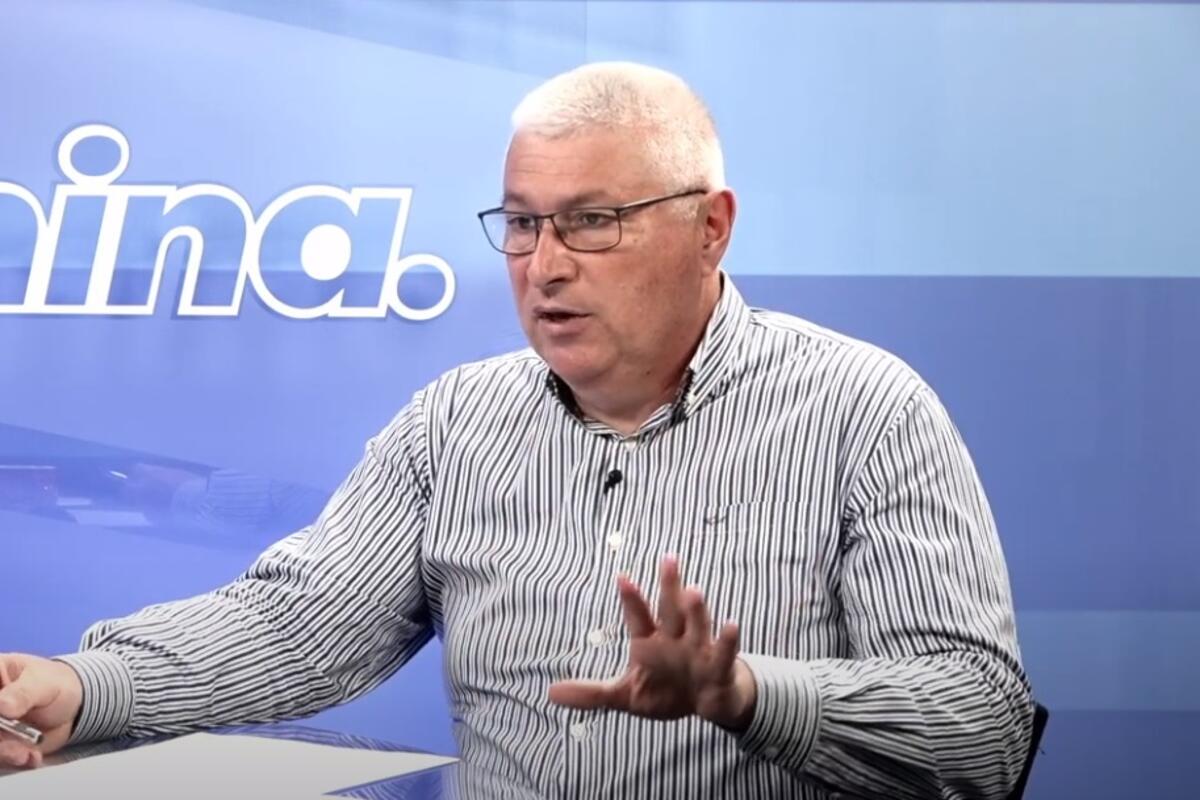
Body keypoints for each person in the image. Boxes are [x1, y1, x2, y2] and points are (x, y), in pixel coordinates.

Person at [0, 62, 1034, 798]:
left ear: (710, 228)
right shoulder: (456, 422)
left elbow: (981, 727)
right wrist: (85, 684)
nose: (545, 265)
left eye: (591, 221)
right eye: (524, 222)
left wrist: (750, 693)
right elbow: (300, 624)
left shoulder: (865, 410)